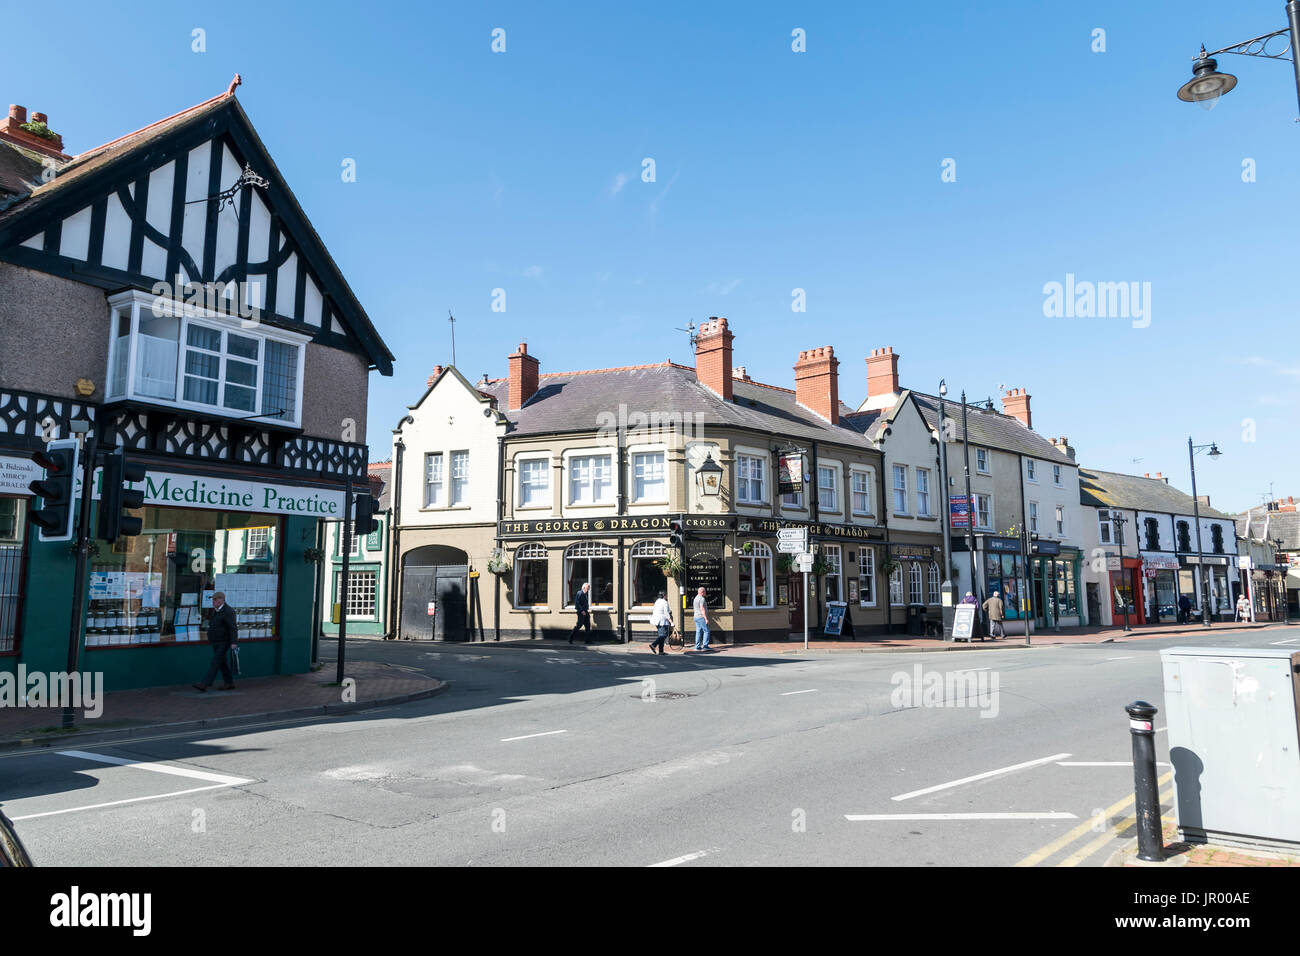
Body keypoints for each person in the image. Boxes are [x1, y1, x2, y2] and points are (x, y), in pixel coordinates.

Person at [193, 591, 237, 691]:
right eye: (213, 599)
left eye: (215, 599)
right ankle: (229, 683)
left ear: (222, 600)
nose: (213, 601)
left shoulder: (228, 611)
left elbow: (233, 628)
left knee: (215, 662)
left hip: (224, 641)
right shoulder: (215, 610)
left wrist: (234, 642)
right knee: (222, 663)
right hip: (215, 641)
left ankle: (205, 684)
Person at [649, 590, 672, 655]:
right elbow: (666, 613)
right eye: (666, 595)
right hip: (662, 621)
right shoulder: (665, 602)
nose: (667, 596)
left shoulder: (657, 601)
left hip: (656, 621)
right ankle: (654, 645)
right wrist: (671, 621)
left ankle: (661, 651)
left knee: (661, 635)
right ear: (664, 595)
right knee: (664, 635)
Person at [692, 586, 711, 651]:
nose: (705, 592)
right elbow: (702, 608)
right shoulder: (702, 599)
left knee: (698, 631)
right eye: (705, 591)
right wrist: (706, 618)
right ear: (702, 592)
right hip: (701, 617)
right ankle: (705, 646)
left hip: (696, 617)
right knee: (706, 631)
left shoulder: (695, 598)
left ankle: (697, 646)